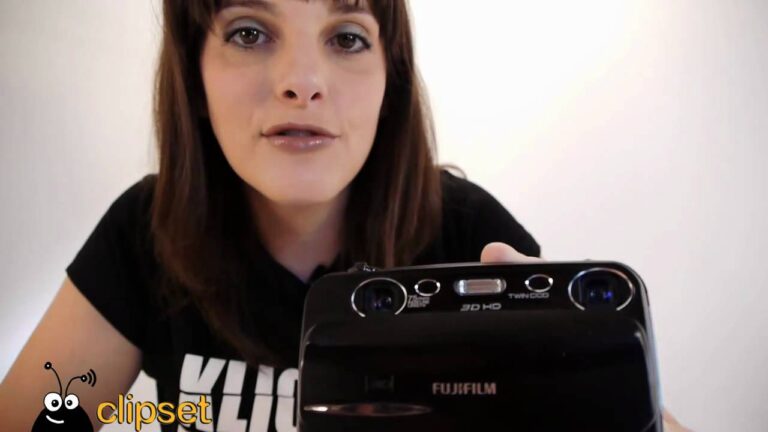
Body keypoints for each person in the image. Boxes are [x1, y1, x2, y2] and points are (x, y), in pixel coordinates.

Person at [0, 0, 690, 431]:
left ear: (391, 79)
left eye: (349, 37)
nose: (302, 82)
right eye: (249, 31)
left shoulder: (468, 232)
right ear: (194, 77)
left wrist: (573, 387)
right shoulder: (145, 231)